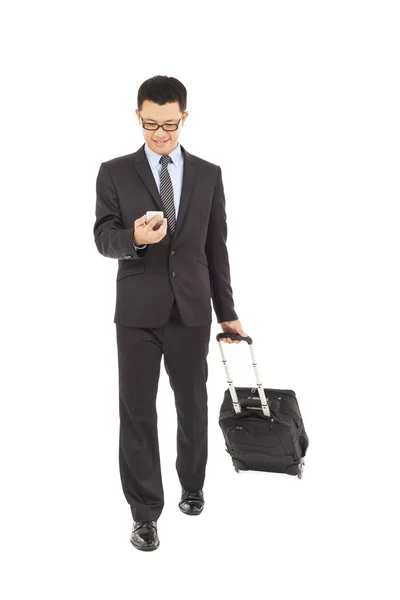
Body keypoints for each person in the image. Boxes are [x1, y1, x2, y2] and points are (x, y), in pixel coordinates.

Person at [93, 75, 247, 551]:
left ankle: (193, 485)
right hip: (137, 313)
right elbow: (103, 237)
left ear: (185, 117)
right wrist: (135, 238)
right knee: (137, 412)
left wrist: (228, 313)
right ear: (138, 117)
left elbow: (214, 249)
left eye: (170, 124)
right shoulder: (114, 171)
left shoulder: (208, 173)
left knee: (191, 405)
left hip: (192, 309)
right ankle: (144, 514)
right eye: (150, 124)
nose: (160, 134)